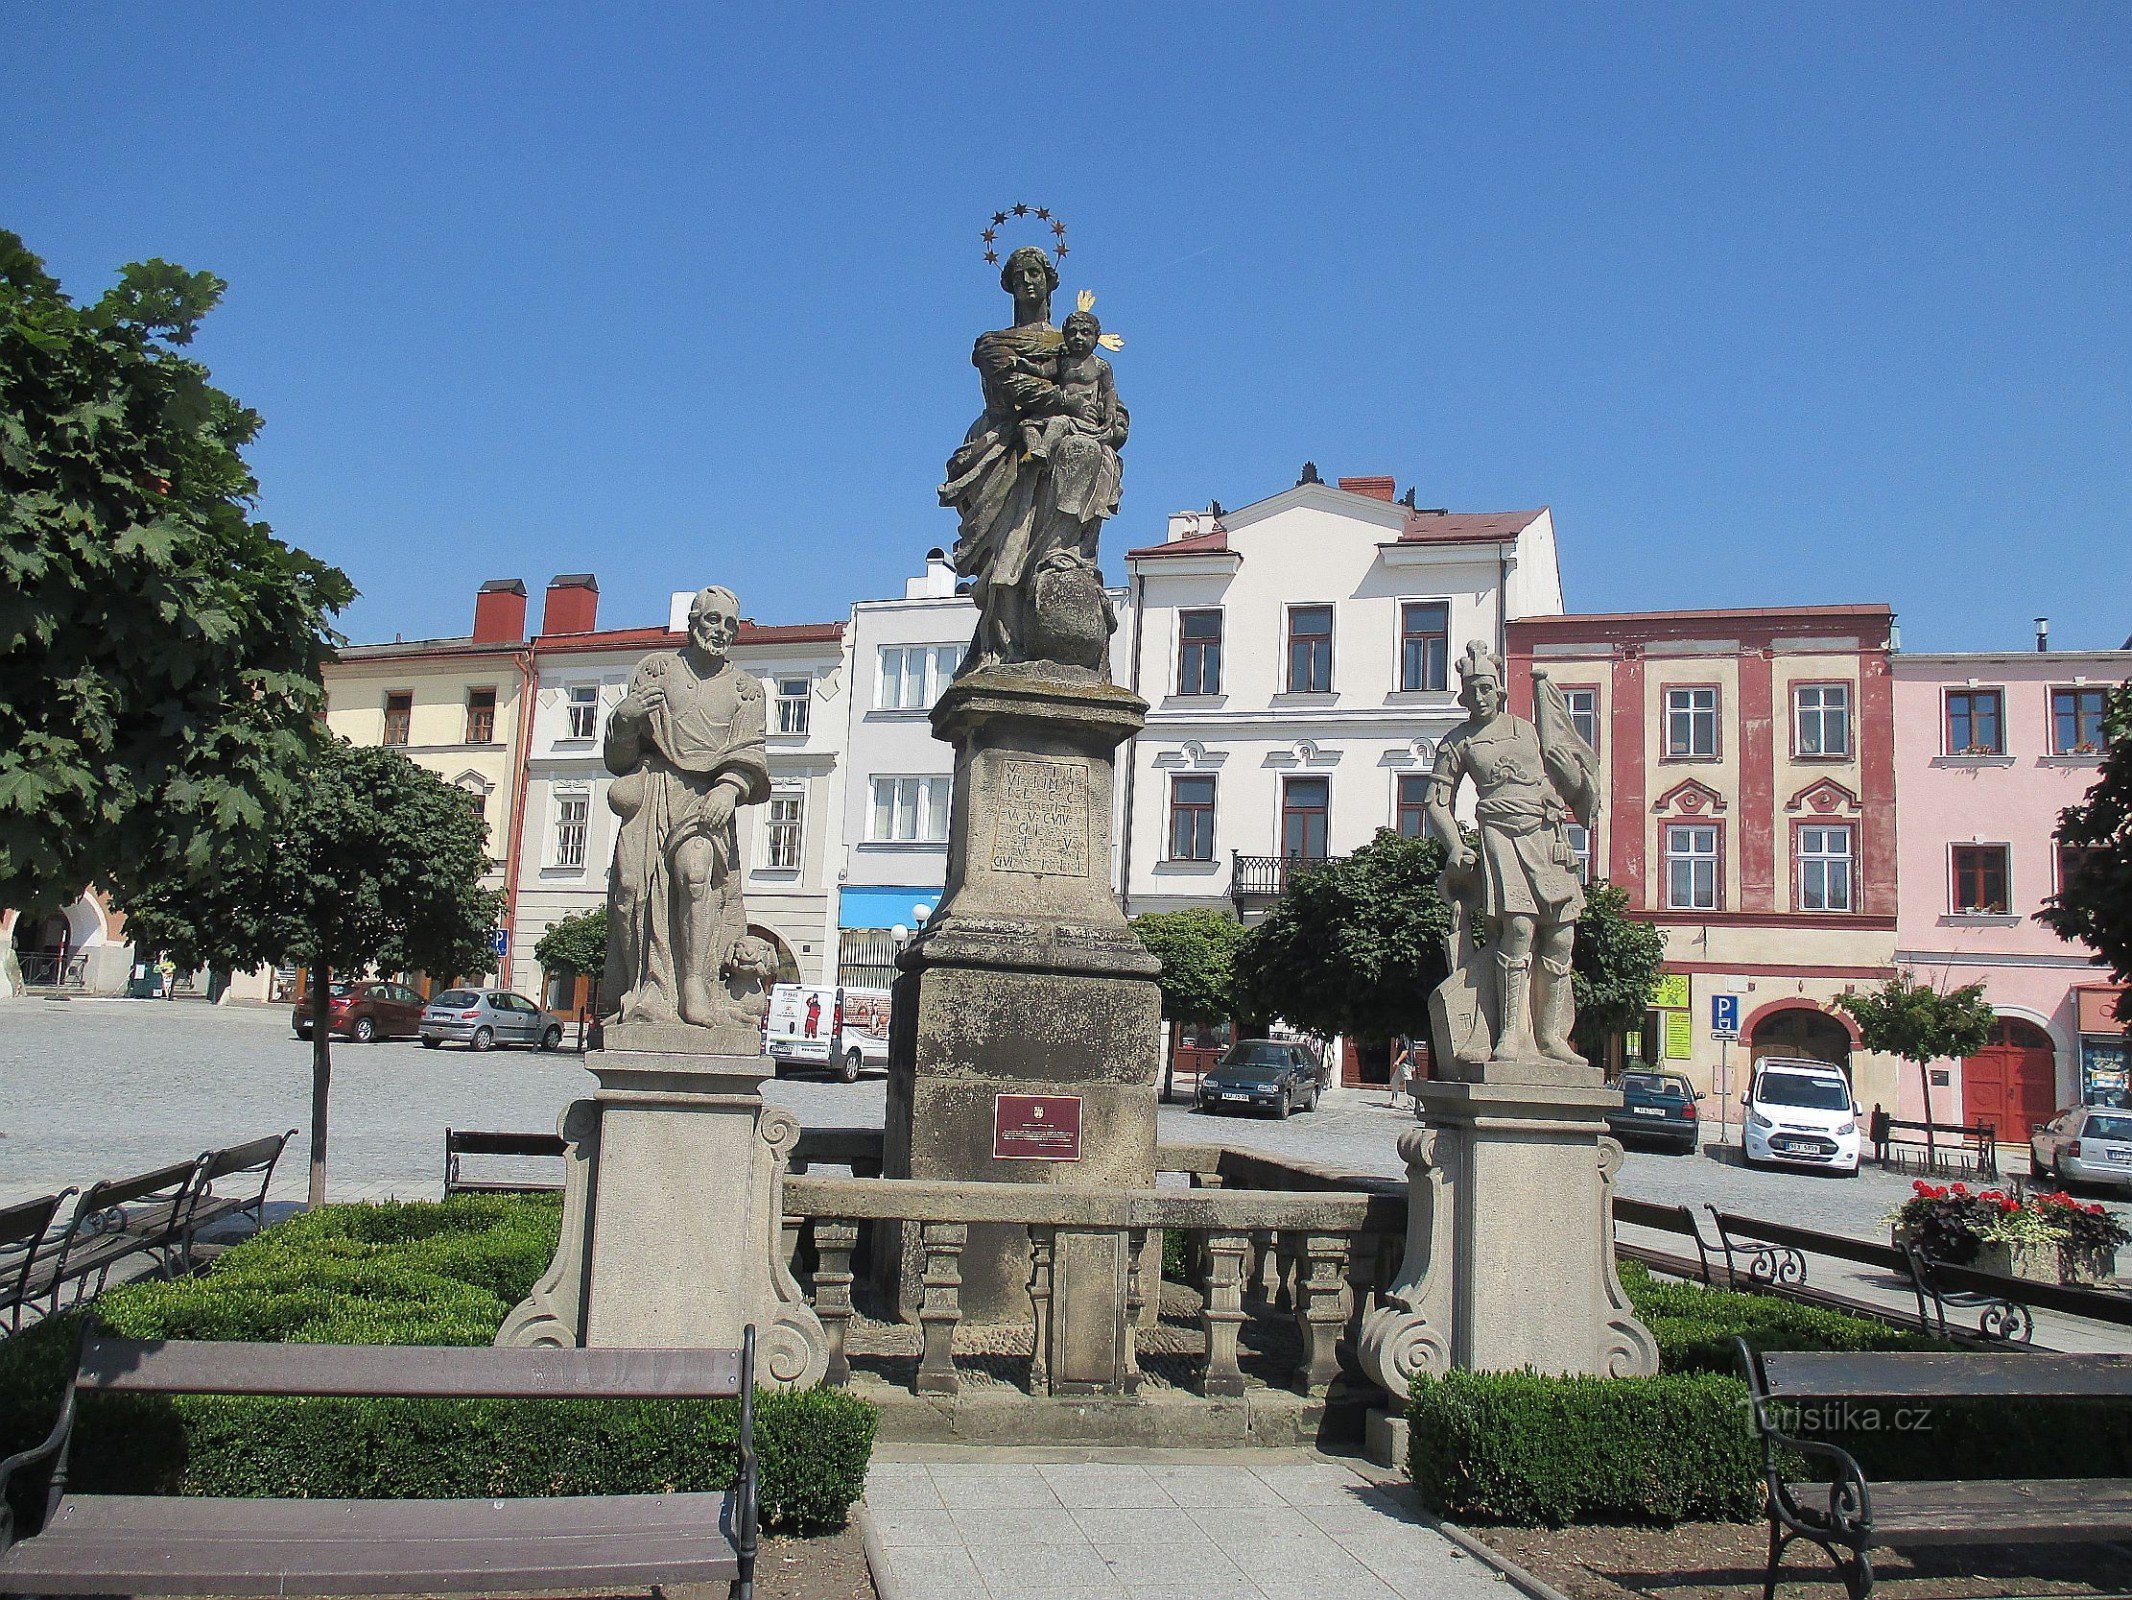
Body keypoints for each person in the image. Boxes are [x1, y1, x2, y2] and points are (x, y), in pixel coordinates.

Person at [940, 247, 1129, 672]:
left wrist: (1115, 421)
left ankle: (1059, 559)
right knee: (1005, 555)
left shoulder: (1074, 345)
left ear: (1049, 280)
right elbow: (1012, 386)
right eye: (1019, 274)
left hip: (1065, 439)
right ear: (1008, 284)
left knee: (1085, 451)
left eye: (1035, 273)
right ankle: (1006, 636)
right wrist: (1066, 400)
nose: (1028, 281)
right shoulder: (994, 343)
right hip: (1006, 439)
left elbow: (1108, 400)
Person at [601, 586, 771, 1031]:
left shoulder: (746, 690)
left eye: (730, 624)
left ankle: (694, 983)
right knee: (629, 889)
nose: (721, 631)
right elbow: (620, 760)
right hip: (653, 793)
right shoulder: (655, 671)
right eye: (713, 620)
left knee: (696, 874)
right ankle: (644, 986)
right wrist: (624, 720)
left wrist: (730, 787)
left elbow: (752, 754)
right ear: (693, 620)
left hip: (705, 801)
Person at [1425, 643, 1597, 1067]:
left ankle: (1551, 1036)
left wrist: (1573, 775)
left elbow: (1565, 776)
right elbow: (1434, 802)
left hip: (1545, 832)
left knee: (1560, 934)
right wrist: (1456, 846)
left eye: (1486, 688)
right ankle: (1508, 1035)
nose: (1479, 697)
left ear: (1498, 690)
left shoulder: (1529, 730)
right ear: (1464, 697)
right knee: (1518, 929)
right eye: (1472, 691)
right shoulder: (1458, 742)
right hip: (1499, 835)